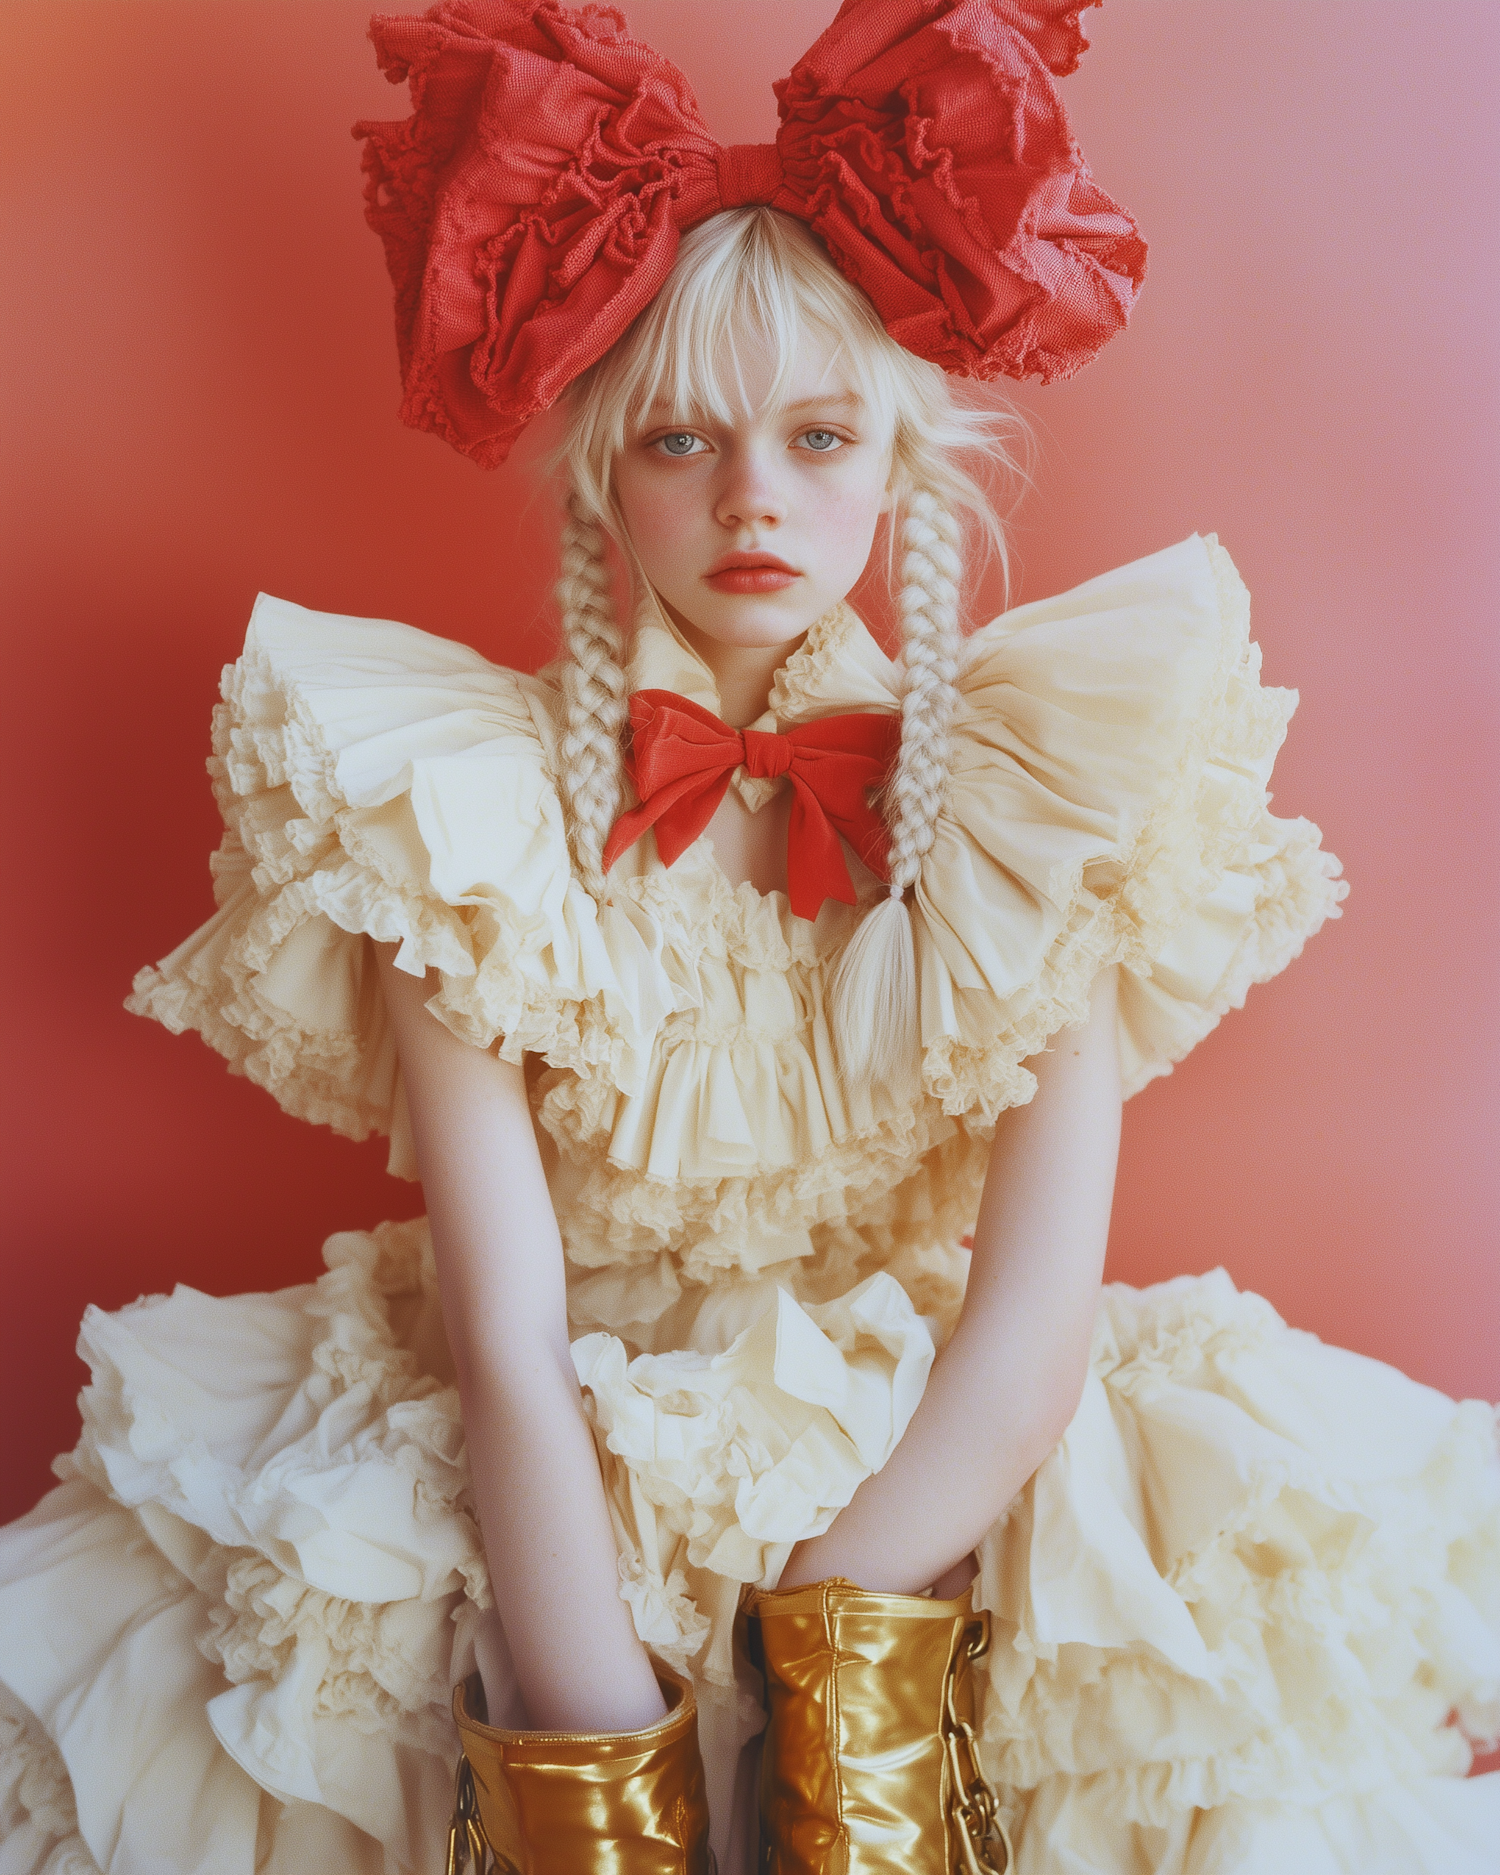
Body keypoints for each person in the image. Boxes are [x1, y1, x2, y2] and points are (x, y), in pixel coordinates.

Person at [1, 2, 1496, 1872]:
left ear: (900, 456)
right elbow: (508, 1324)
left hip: (941, 1459)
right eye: (682, 439)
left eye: (816, 435)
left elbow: (1030, 1323)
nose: (753, 499)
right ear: (600, 474)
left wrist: (835, 1654)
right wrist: (595, 1735)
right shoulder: (460, 814)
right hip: (551, 1473)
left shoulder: (1046, 791)